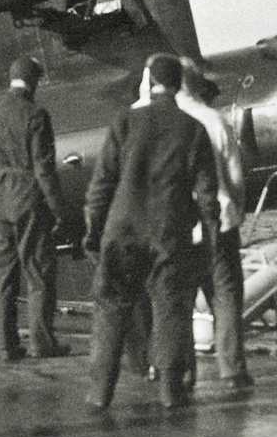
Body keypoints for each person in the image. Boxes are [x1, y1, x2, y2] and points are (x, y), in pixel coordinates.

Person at [82, 53, 219, 411]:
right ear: (179, 85)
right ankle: (171, 392)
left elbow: (101, 186)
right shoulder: (193, 129)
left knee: (111, 311)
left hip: (123, 232)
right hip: (168, 234)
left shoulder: (125, 122)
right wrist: (211, 237)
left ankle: (99, 394)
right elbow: (207, 196)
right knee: (170, 312)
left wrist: (93, 233)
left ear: (148, 82)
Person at [0, 57, 70, 362]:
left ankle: (7, 346)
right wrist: (59, 209)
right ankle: (41, 343)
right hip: (27, 203)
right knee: (38, 274)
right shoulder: (37, 115)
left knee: (3, 276)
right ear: (34, 81)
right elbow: (43, 169)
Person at [175, 57, 254, 395]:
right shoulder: (216, 121)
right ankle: (233, 370)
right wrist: (237, 209)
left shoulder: (162, 120)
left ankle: (182, 372)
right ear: (197, 83)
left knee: (178, 301)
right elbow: (236, 177)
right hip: (220, 223)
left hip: (180, 227)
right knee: (226, 296)